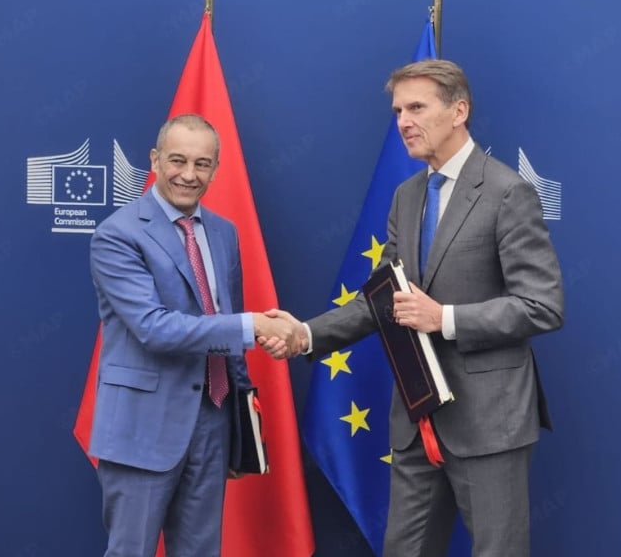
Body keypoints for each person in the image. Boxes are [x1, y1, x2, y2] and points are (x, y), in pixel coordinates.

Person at [261, 60, 564, 557]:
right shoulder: (407, 196)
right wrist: (306, 334)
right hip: (417, 418)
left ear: (459, 111)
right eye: (398, 111)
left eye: (416, 108)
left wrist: (443, 319)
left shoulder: (508, 192)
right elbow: (384, 299)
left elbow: (542, 305)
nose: (403, 121)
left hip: (490, 422)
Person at [88, 114, 294, 557]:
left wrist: (240, 425)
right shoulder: (117, 235)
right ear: (155, 160)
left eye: (202, 164)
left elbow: (227, 324)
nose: (189, 174)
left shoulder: (223, 232)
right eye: (177, 160)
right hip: (142, 427)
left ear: (216, 169)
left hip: (212, 421)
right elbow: (154, 328)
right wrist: (255, 326)